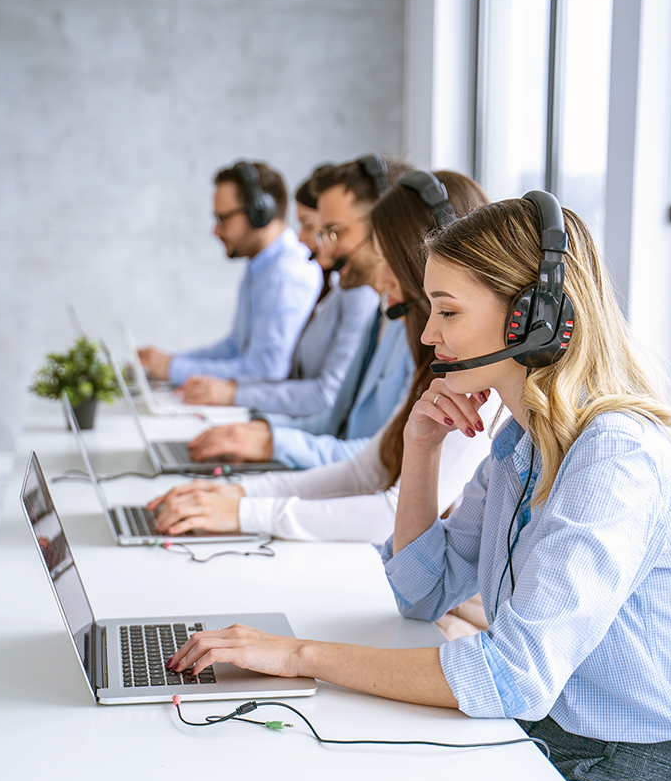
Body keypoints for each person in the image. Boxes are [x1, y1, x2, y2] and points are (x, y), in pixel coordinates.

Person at [165, 195, 671, 781]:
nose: (428, 336)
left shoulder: (614, 459)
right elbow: (419, 591)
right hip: (540, 741)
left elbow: (511, 675)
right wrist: (419, 451)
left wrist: (298, 656)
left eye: (448, 312)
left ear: (531, 319)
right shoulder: (522, 442)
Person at [149, 170, 493, 552]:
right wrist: (241, 493)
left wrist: (248, 509)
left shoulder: (476, 385)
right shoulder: (427, 353)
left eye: (387, 258)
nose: (379, 280)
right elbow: (367, 469)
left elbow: (388, 510)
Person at [181, 154, 415, 469]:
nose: (320, 246)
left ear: (385, 228)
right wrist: (263, 432)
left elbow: (385, 459)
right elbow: (334, 421)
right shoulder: (382, 312)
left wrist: (269, 442)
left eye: (333, 231)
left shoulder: (417, 329)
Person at [175, 167, 379, 416]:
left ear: (259, 213)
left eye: (327, 230)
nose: (303, 239)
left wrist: (235, 398)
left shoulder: (342, 288)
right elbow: (236, 345)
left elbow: (315, 392)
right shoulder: (336, 287)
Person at [138, 160, 321, 386]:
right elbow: (235, 347)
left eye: (223, 219)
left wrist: (173, 369)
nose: (216, 231)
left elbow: (265, 371)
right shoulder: (261, 266)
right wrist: (169, 362)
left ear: (260, 212)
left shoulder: (285, 275)